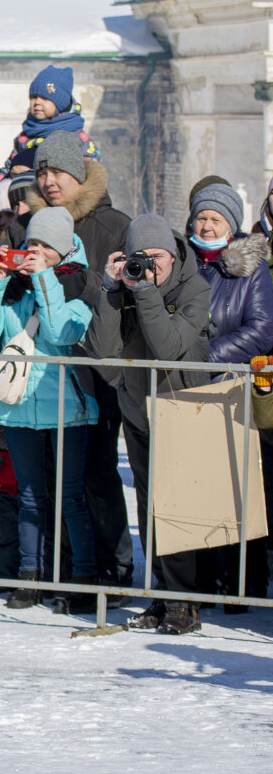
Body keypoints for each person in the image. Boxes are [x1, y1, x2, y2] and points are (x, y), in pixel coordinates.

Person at [13, 129, 132, 593]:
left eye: (58, 171)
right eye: (42, 172)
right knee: (50, 478)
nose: (49, 181)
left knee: (98, 474)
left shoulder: (113, 225)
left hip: (97, 366)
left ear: (80, 175)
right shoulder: (31, 224)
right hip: (46, 368)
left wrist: (84, 279)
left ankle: (113, 566)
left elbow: (123, 289)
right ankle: (63, 566)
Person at [85, 214, 212, 634]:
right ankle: (163, 595)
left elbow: (169, 347)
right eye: (141, 258)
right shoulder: (126, 287)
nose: (149, 267)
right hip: (139, 410)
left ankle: (184, 602)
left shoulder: (196, 288)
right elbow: (102, 349)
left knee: (178, 509)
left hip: (182, 412)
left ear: (174, 256)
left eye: (157, 257)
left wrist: (144, 294)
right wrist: (108, 288)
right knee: (150, 507)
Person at [0, 208, 99, 611]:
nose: (35, 253)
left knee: (71, 498)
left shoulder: (79, 287)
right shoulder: (14, 292)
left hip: (68, 410)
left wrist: (44, 278)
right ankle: (30, 577)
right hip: (20, 409)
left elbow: (63, 332)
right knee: (28, 498)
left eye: (45, 248)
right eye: (31, 246)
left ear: (61, 252)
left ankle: (83, 577)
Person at [186, 183, 273, 605]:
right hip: (185, 392)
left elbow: (261, 328)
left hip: (231, 387)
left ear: (231, 226)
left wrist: (206, 355)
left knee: (239, 490)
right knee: (198, 490)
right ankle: (201, 582)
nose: (206, 224)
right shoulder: (180, 262)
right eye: (202, 217)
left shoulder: (250, 268)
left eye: (216, 219)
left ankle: (243, 580)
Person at [2, 65, 99, 175]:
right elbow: (8, 167)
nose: (37, 102)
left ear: (60, 103)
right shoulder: (25, 136)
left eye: (45, 98)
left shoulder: (75, 136)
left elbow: (91, 168)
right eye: (33, 97)